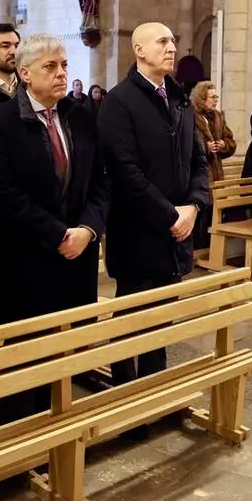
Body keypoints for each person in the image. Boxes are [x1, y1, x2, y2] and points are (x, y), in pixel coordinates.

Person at [0, 34, 109, 418]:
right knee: (25, 363)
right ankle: (22, 442)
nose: (61, 73)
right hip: (26, 262)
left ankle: (61, 429)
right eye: (50, 67)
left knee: (67, 356)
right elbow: (4, 194)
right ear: (25, 73)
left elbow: (102, 181)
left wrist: (88, 229)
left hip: (77, 258)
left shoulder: (81, 116)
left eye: (64, 65)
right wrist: (57, 234)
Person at [99, 22, 209, 393]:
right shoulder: (119, 101)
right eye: (162, 41)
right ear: (139, 50)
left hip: (177, 228)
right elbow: (124, 171)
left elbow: (199, 161)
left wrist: (193, 206)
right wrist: (170, 214)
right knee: (131, 315)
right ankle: (126, 391)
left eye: (173, 41)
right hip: (137, 232)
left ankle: (153, 390)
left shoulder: (179, 99)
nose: (172, 47)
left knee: (161, 315)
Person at [191, 81, 237, 184]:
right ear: (202, 99)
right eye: (213, 97)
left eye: (217, 97)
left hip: (217, 178)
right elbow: (185, 147)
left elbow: (231, 142)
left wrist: (224, 145)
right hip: (199, 178)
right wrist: (205, 148)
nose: (216, 100)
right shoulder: (191, 117)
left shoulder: (218, 117)